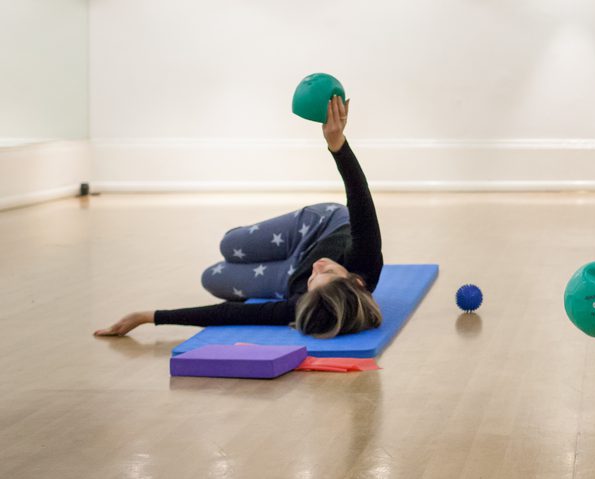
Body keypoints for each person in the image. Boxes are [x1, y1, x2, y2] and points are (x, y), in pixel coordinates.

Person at [94, 97, 384, 339]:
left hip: (292, 272)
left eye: (314, 281)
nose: (318, 268)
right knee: (229, 245)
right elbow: (359, 197)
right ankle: (264, 251)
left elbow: (231, 313)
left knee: (212, 279)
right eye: (330, 272)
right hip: (318, 228)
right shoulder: (365, 261)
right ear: (356, 281)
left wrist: (148, 316)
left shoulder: (304, 304)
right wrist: (337, 143)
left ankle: (282, 267)